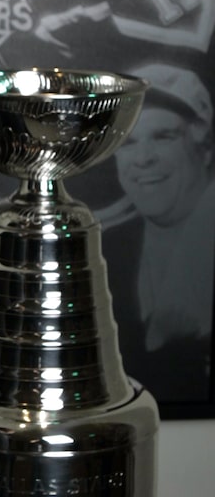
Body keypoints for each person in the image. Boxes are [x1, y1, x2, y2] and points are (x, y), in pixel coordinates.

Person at [102, 62, 214, 402]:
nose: (143, 159)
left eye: (163, 136)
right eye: (129, 142)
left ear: (205, 147)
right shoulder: (106, 251)